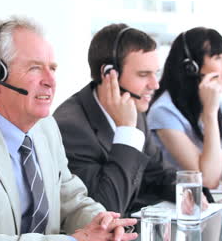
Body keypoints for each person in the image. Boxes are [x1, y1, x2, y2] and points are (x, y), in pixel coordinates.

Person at [0, 17, 137, 241]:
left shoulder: (45, 127)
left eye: (52, 68)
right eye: (35, 68)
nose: (51, 80)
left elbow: (71, 198)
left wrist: (105, 224)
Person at [53, 23, 178, 217]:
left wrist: (190, 190)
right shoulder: (70, 128)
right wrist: (126, 131)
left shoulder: (136, 110)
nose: (155, 84)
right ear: (108, 73)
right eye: (143, 74)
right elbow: (106, 208)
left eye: (156, 73)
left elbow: (156, 175)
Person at [147, 27, 222, 190]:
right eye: (218, 58)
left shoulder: (210, 102)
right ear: (191, 67)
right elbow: (206, 180)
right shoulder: (163, 112)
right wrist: (210, 114)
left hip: (204, 205)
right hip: (174, 207)